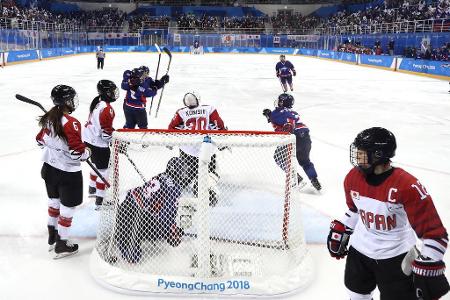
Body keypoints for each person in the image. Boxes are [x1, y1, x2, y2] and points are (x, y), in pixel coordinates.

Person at [327, 127, 449, 300]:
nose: (357, 158)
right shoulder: (353, 178)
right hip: (360, 252)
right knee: (355, 293)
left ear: (378, 155)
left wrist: (430, 259)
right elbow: (355, 210)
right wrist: (343, 226)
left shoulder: (407, 185)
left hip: (396, 256)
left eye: (362, 153)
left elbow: (435, 234)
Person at [36, 85, 91, 259]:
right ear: (66, 101)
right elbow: (77, 154)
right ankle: (61, 243)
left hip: (49, 170)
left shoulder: (48, 119)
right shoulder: (71, 123)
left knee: (54, 202)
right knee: (67, 208)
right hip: (67, 174)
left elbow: (39, 141)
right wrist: (87, 152)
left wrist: (56, 144)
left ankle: (52, 235)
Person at [115, 157, 187, 263]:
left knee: (130, 234)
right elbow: (166, 214)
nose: (183, 174)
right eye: (182, 171)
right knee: (133, 257)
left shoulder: (160, 175)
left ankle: (123, 236)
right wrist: (170, 230)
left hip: (125, 203)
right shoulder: (175, 188)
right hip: (138, 214)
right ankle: (127, 240)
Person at [168, 92, 226, 206]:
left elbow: (171, 128)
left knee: (187, 174)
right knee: (213, 172)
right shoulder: (209, 109)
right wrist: (222, 138)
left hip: (187, 149)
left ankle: (179, 186)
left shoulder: (181, 112)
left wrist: (180, 133)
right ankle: (207, 190)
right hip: (206, 148)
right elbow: (219, 126)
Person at [263, 93, 321, 191]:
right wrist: (270, 116)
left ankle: (297, 179)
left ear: (282, 102)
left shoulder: (279, 111)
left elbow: (281, 121)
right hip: (306, 139)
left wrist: (269, 115)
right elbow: (283, 120)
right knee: (305, 161)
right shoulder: (293, 112)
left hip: (295, 138)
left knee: (278, 156)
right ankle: (314, 180)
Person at [83, 80, 119, 208]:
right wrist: (116, 141)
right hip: (98, 144)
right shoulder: (107, 109)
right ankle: (100, 200)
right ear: (106, 93)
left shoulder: (97, 102)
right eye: (112, 91)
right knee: (103, 171)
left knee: (95, 165)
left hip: (87, 139)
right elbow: (105, 135)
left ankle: (92, 190)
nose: (115, 93)